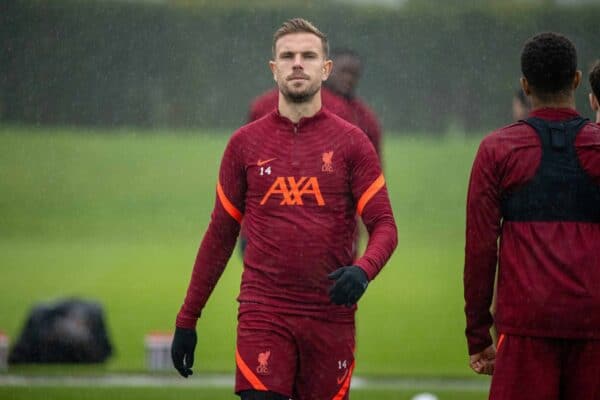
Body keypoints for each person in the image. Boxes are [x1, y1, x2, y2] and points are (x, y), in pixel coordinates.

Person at [171, 18, 397, 400]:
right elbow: (220, 235)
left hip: (330, 317)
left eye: (308, 56)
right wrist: (187, 318)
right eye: (287, 56)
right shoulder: (243, 145)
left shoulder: (353, 143)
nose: (297, 63)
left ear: (324, 69)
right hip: (264, 311)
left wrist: (364, 270)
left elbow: (385, 226)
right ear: (273, 69)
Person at [464, 32, 600, 399]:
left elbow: (480, 247)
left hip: (526, 325)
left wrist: (477, 333)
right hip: (593, 324)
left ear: (525, 86)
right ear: (575, 79)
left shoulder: (498, 149)